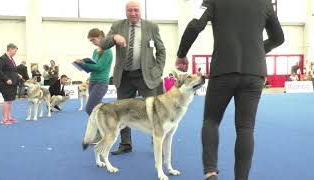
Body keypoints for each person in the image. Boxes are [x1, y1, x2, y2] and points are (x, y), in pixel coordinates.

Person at [175, 0, 285, 180]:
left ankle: (210, 172)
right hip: (254, 73)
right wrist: (259, 50)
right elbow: (279, 38)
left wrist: (181, 54)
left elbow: (195, 25)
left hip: (223, 69)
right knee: (245, 128)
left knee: (211, 120)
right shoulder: (265, 2)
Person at [101, 0, 166, 155]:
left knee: (155, 111)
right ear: (126, 12)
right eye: (130, 10)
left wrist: (158, 70)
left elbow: (161, 50)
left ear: (140, 11)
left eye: (136, 10)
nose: (133, 13)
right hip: (124, 77)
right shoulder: (117, 26)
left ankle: (157, 144)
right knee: (122, 111)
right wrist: (114, 37)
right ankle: (125, 144)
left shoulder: (151, 27)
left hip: (146, 76)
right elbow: (103, 44)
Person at [75, 28, 113, 116]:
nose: (92, 42)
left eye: (93, 39)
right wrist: (81, 64)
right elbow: (92, 67)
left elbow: (99, 67)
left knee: (90, 108)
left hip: (101, 82)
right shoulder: (95, 51)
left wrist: (84, 64)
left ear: (100, 37)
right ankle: (102, 127)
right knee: (96, 107)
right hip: (92, 81)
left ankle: (101, 126)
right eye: (90, 40)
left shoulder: (107, 51)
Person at [0, 43, 23, 125]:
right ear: (10, 49)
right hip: (5, 83)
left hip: (12, 83)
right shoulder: (2, 58)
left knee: (9, 101)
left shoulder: (10, 58)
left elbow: (11, 70)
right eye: (15, 51)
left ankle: (9, 117)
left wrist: (17, 75)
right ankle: (4, 119)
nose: (15, 53)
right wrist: (6, 79)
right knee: (6, 101)